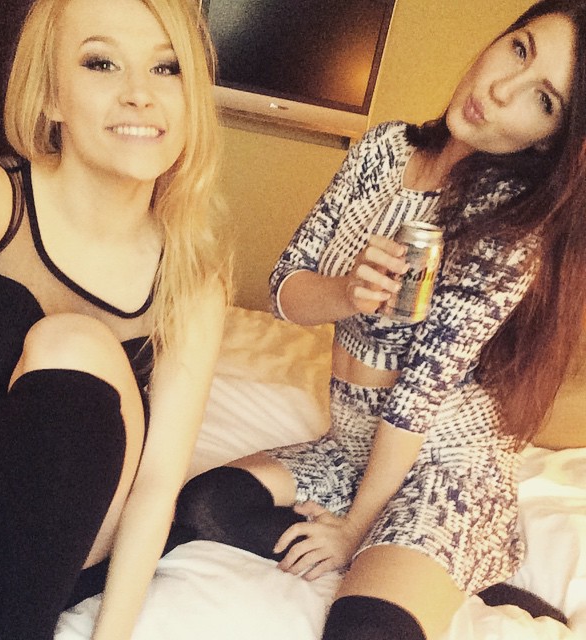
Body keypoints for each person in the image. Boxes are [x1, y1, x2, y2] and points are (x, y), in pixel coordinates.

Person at [168, 1, 586, 638]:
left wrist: (352, 529)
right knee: (204, 503)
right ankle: (419, 567)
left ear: (551, 136)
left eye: (544, 99)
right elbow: (285, 287)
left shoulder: (511, 227)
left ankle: (441, 562)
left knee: (364, 627)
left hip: (444, 468)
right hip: (354, 445)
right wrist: (347, 293)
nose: (503, 89)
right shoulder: (383, 149)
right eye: (520, 49)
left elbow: (418, 396)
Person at [0, 0, 230, 638]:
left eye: (167, 68)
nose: (139, 94)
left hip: (55, 536)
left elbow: (156, 484)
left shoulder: (191, 282)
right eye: (102, 63)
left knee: (72, 344)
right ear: (50, 94)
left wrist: (111, 633)